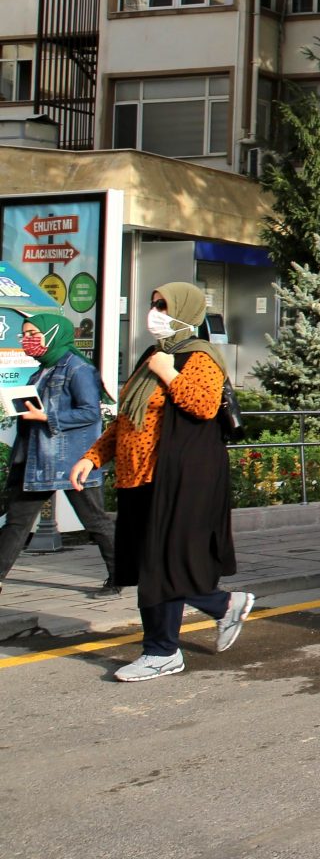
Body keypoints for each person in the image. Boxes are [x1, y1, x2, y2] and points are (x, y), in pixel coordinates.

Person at [69, 284, 252, 682]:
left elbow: (203, 406)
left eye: (164, 305)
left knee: (159, 566)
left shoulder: (199, 357)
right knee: (151, 563)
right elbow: (126, 419)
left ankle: (162, 651)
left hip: (180, 478)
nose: (155, 312)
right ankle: (222, 606)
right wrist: (93, 456)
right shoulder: (151, 355)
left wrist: (169, 372)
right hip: (140, 476)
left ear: (185, 309)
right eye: (154, 305)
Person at [0, 313, 118, 596]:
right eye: (24, 335)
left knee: (95, 521)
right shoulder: (42, 369)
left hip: (71, 460)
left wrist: (46, 415)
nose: (27, 341)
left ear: (53, 335)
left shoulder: (78, 369)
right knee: (17, 522)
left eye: (33, 335)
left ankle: (121, 574)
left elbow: (90, 413)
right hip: (36, 460)